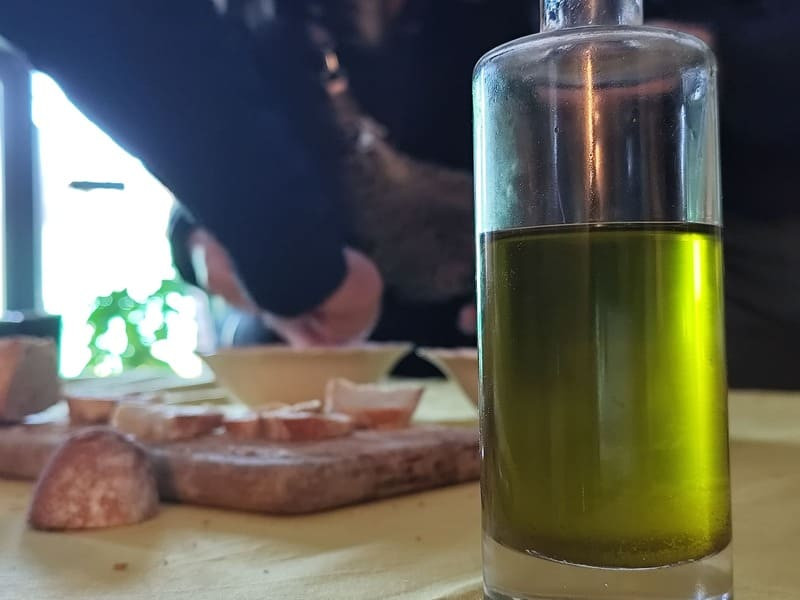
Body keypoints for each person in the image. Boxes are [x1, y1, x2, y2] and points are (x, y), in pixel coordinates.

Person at [1, 1, 797, 386]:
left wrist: (715, 55)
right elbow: (216, 156)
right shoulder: (274, 24)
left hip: (582, 318)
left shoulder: (534, 25)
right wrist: (214, 245)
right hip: (343, 342)